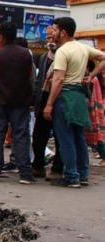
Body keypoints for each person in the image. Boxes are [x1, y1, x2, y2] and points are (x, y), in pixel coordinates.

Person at [44, 17, 105, 188]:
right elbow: (103, 58)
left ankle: (71, 176)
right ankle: (83, 174)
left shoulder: (63, 52)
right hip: (79, 96)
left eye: (55, 30)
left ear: (63, 32)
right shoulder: (82, 48)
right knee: (79, 137)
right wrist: (91, 76)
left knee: (66, 138)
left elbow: (58, 80)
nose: (52, 33)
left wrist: (49, 104)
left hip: (65, 96)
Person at [0, 22, 36, 184]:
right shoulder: (26, 54)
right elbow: (31, 78)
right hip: (20, 100)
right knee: (21, 135)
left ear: (1, 36)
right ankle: (25, 174)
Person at [31, 28, 64, 179]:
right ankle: (38, 166)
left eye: (52, 37)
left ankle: (58, 168)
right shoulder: (44, 57)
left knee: (60, 136)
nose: (50, 41)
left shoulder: (66, 54)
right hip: (43, 99)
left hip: (60, 99)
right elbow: (39, 81)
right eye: (48, 38)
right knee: (39, 136)